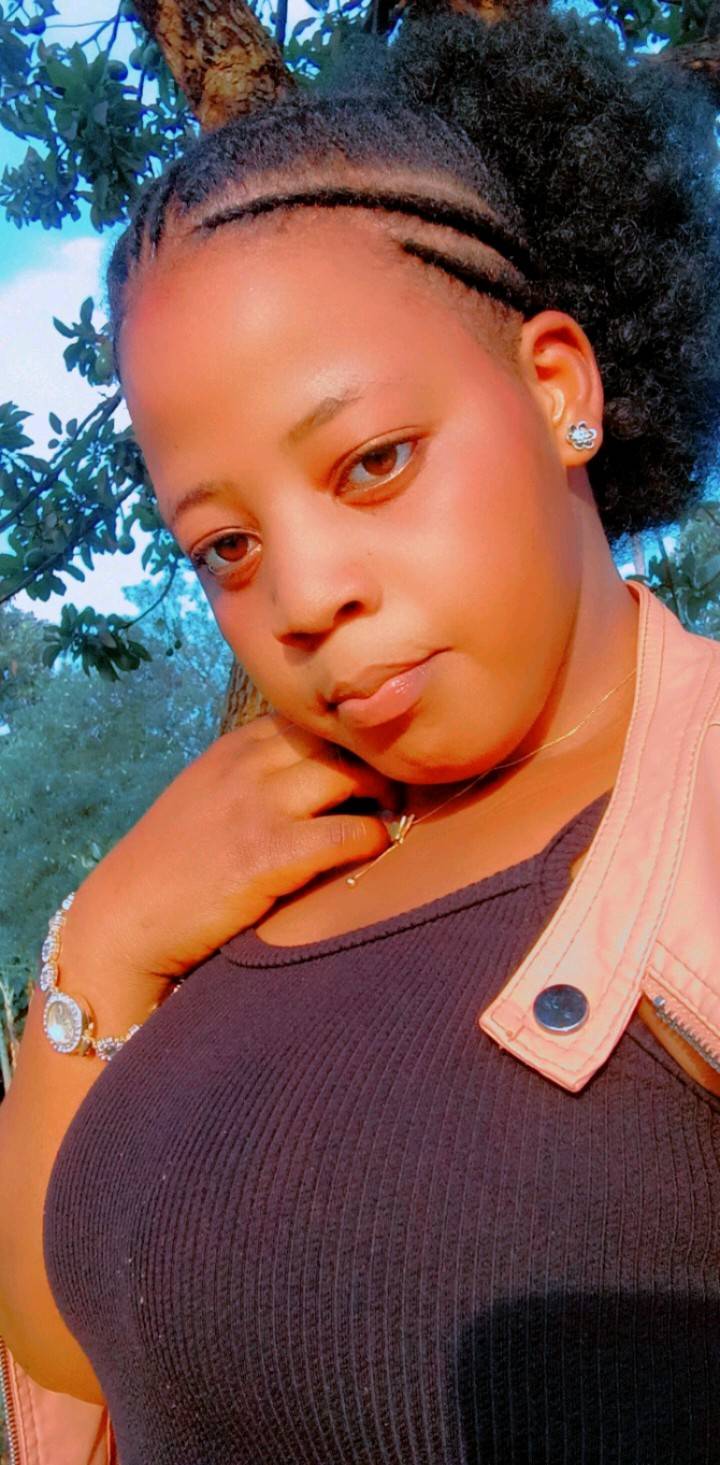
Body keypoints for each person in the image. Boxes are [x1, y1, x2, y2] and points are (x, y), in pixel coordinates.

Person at [1, 4, 719, 1461]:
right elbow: (71, 1336)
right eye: (227, 546)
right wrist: (105, 944)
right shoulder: (257, 855)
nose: (305, 597)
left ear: (557, 389)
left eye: (373, 462)